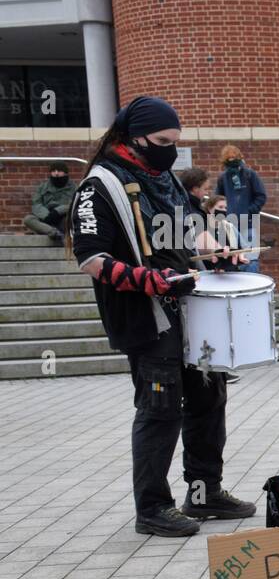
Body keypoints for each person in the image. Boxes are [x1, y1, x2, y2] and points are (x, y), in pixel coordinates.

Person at [69, 95, 255, 537]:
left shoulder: (165, 179)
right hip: (145, 316)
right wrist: (153, 281)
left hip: (192, 310)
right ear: (135, 137)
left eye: (176, 140)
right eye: (163, 140)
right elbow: (92, 260)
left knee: (210, 398)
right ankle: (152, 507)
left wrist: (219, 255)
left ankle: (204, 492)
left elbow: (193, 236)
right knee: (160, 408)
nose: (171, 148)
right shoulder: (99, 186)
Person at [213, 144, 266, 272]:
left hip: (248, 224)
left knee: (250, 258)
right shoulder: (223, 178)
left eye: (234, 158)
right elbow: (218, 198)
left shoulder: (250, 175)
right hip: (230, 226)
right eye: (228, 159)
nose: (232, 162)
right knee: (233, 258)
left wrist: (248, 211)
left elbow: (261, 196)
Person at [24, 161, 75, 244]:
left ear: (65, 173)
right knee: (28, 219)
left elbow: (74, 204)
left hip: (63, 218)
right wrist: (46, 216)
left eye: (59, 171)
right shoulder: (43, 187)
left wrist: (58, 211)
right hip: (45, 218)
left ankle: (48, 230)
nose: (56, 173)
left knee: (70, 221)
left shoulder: (73, 188)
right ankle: (53, 232)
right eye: (53, 171)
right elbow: (36, 203)